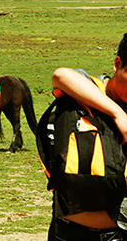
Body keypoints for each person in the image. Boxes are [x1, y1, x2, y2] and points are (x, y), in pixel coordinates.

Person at [46, 35, 127, 240]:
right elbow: (61, 76)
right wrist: (118, 114)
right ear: (117, 64)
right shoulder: (89, 87)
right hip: (69, 232)